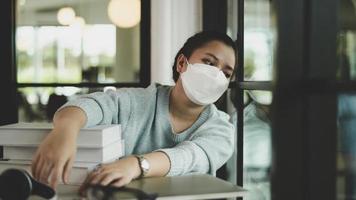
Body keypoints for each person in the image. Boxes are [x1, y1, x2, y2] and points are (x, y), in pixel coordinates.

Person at [31, 31, 237, 194]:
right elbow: (92, 104)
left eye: (226, 73)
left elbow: (190, 156)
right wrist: (65, 131)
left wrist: (136, 165)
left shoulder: (221, 130)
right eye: (209, 63)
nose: (216, 75)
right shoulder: (136, 101)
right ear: (182, 63)